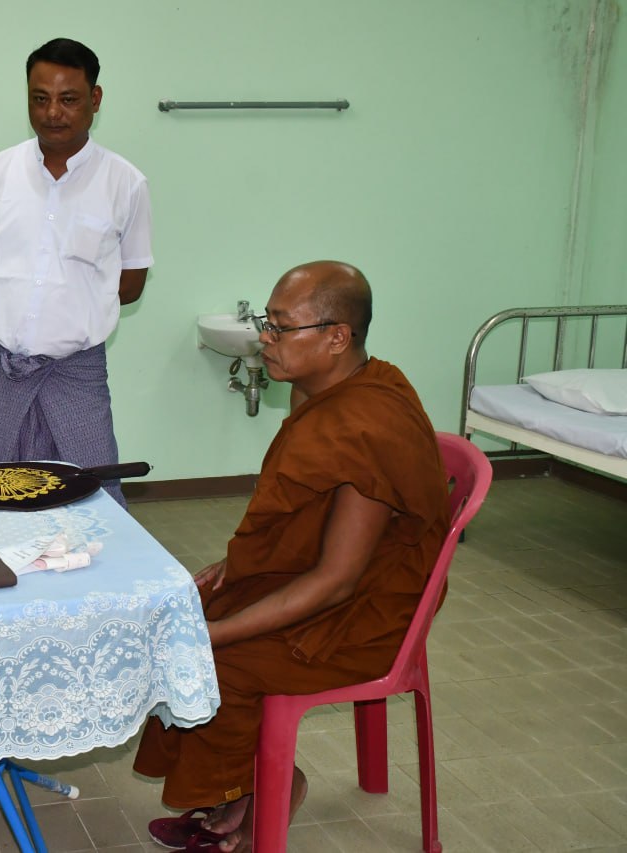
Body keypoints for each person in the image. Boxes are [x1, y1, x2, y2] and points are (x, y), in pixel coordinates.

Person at [133, 261, 450, 852]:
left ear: (337, 337)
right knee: (184, 609)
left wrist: (215, 635)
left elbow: (335, 582)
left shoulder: (367, 423)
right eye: (266, 322)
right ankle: (245, 785)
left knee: (212, 659)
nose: (265, 338)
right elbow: (303, 515)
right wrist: (237, 570)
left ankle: (265, 790)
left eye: (281, 327)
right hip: (331, 578)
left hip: (364, 614)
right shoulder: (326, 389)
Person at [0, 37, 152, 507]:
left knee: (93, 496)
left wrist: (68, 310)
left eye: (68, 99)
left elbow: (130, 284)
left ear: (95, 99)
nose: (53, 113)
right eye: (40, 98)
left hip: (78, 371)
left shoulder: (125, 183)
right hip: (1, 368)